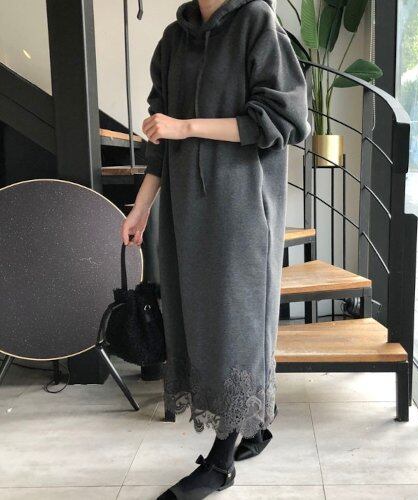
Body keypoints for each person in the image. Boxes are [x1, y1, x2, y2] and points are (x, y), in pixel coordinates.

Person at [121, 0, 310, 498]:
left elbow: (285, 118)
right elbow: (160, 140)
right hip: (184, 211)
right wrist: (141, 207)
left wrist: (187, 126)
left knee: (235, 324)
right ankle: (255, 425)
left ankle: (221, 463)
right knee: (196, 320)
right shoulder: (173, 40)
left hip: (241, 209)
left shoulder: (256, 22)